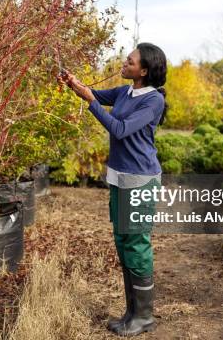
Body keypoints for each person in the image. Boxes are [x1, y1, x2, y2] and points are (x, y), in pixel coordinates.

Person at [57, 42, 168, 336]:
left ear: (143, 70)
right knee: (123, 241)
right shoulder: (124, 92)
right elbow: (93, 94)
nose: (124, 61)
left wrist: (89, 102)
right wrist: (73, 83)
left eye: (130, 60)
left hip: (140, 180)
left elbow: (119, 128)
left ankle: (144, 316)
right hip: (119, 177)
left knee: (136, 245)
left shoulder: (153, 100)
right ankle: (131, 313)